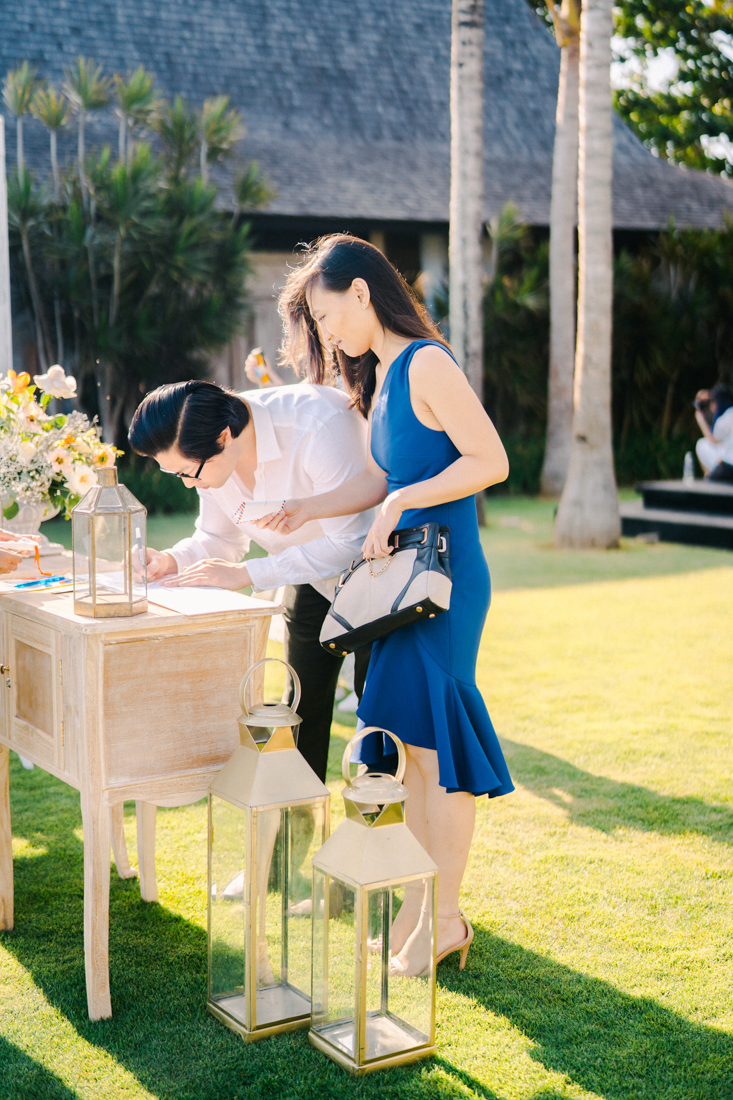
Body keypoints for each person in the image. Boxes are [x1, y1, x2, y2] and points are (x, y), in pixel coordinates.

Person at [259, 234, 514, 976]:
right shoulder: (386, 375)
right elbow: (379, 479)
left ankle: (444, 919)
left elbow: (491, 461)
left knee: (436, 756)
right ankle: (417, 911)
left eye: (325, 315)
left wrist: (402, 501)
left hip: (443, 582)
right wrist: (307, 506)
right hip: (402, 590)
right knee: (406, 753)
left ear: (363, 293)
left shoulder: (427, 363)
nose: (324, 332)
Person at [127, 379, 374, 782]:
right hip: (308, 576)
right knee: (299, 709)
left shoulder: (315, 424)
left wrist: (248, 574)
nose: (188, 484)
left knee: (378, 711)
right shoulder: (208, 452)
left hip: (379, 575)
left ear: (224, 436)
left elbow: (350, 541)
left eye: (188, 472)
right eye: (176, 475)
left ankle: (380, 815)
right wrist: (170, 561)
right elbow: (220, 538)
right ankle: (297, 816)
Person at [694, 383, 733, 482]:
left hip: (729, 466)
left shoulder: (725, 418)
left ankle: (709, 477)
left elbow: (713, 440)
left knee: (701, 444)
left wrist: (701, 420)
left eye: (712, 401)